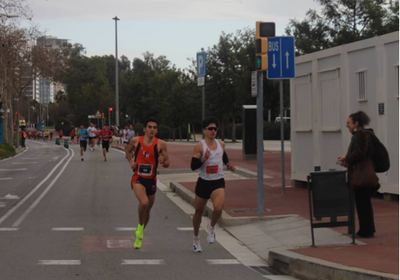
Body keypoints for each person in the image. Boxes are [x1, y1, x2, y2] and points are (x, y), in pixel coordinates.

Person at [190, 116, 236, 252]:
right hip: (204, 181)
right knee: (198, 211)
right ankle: (196, 238)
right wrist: (204, 158)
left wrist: (228, 165)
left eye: (215, 128)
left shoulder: (221, 144)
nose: (213, 131)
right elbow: (193, 166)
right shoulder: (200, 146)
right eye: (210, 129)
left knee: (218, 208)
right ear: (204, 130)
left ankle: (211, 226)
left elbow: (223, 155)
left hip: (218, 181)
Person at [125, 118, 170, 249]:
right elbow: (128, 152)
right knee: (143, 203)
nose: (152, 130)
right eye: (149, 127)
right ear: (144, 129)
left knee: (148, 209)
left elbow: (167, 163)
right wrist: (131, 162)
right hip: (138, 178)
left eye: (154, 128)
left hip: (151, 180)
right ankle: (139, 227)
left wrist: (162, 162)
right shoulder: (136, 140)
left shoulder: (161, 144)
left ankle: (139, 233)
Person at [337, 111, 379, 238]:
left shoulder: (360, 135)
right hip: (361, 173)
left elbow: (360, 153)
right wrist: (347, 161)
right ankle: (367, 229)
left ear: (356, 123)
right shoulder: (360, 135)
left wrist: (346, 157)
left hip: (361, 175)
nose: (346, 125)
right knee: (364, 203)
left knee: (363, 203)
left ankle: (366, 230)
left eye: (348, 123)